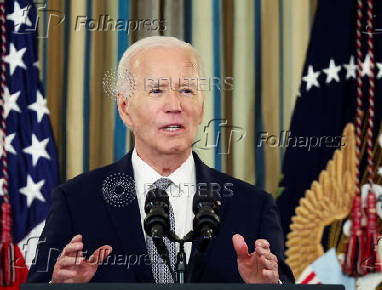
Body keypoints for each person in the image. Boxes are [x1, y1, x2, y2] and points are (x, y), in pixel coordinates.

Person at [26, 36, 294, 284]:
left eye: (187, 90)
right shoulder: (77, 202)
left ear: (201, 108)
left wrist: (268, 288)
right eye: (156, 90)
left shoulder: (253, 206)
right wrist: (57, 288)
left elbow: (280, 282)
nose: (175, 105)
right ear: (125, 108)